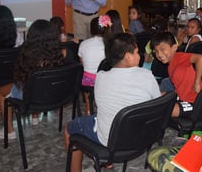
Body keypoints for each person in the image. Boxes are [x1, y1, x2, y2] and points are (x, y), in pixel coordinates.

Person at [64, 33, 161, 172]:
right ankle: (107, 162)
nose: (139, 55)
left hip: (110, 141)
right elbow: (156, 103)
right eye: (136, 52)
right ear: (128, 56)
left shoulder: (101, 77)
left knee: (69, 128)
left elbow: (102, 105)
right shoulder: (147, 75)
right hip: (142, 138)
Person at [0, 19, 68, 140]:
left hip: (31, 96)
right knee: (38, 84)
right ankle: (35, 117)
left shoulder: (27, 55)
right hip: (54, 95)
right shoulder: (62, 53)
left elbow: (21, 78)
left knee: (2, 92)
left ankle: (9, 130)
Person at [151, 31, 202, 118]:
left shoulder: (179, 57)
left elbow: (201, 58)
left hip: (194, 103)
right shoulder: (170, 66)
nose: (159, 54)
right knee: (155, 96)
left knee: (161, 108)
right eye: (156, 51)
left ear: (174, 47)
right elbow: (180, 86)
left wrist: (197, 82)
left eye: (162, 50)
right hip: (182, 98)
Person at [78, 15, 111, 115]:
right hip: (105, 81)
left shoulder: (83, 44)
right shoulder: (110, 45)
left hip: (88, 82)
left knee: (85, 75)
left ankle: (88, 107)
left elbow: (82, 64)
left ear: (91, 30)